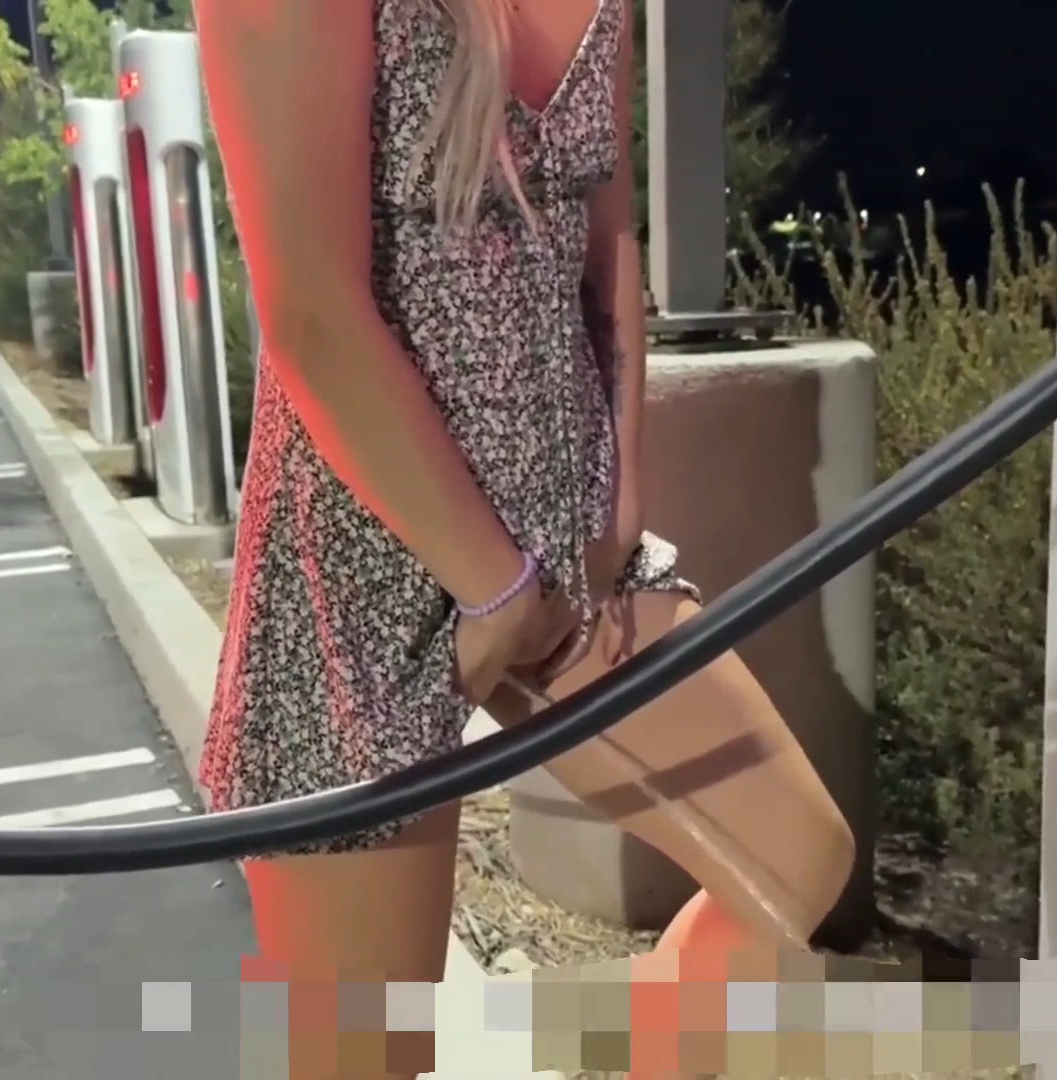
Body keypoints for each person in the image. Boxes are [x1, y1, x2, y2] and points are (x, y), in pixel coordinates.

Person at [194, 0, 854, 1074]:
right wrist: (492, 584)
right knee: (364, 1054)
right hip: (356, 557)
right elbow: (309, 307)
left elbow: (609, 240)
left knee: (795, 864)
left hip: (567, 543)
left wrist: (616, 508)